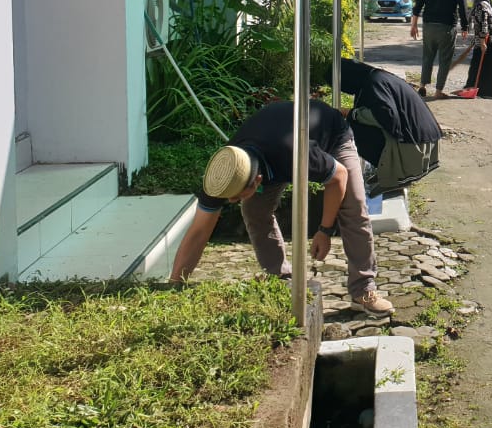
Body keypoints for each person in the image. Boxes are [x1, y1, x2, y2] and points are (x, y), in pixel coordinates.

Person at [168, 99, 394, 315]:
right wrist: (174, 285)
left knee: (353, 206)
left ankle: (364, 289)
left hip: (331, 135)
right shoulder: (224, 171)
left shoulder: (295, 153)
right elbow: (199, 232)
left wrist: (324, 230)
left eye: (236, 196)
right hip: (274, 138)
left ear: (257, 181)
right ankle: (280, 279)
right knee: (253, 209)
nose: (231, 202)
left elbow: (339, 177)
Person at [340, 59, 442, 195]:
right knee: (358, 121)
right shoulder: (377, 78)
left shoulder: (374, 83)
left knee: (353, 128)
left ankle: (396, 176)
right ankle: (389, 171)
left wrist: (351, 113)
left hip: (417, 148)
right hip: (425, 142)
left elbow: (386, 117)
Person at [409, 0, 469, 99]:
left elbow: (418, 5)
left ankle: (423, 85)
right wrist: (465, 27)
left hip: (429, 26)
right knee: (445, 60)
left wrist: (413, 25)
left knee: (427, 56)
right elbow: (462, 7)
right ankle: (438, 91)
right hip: (447, 27)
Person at [463, 0, 492, 99]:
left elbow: (484, 25)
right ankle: (476, 89)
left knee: (486, 66)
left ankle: (488, 92)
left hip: (489, 40)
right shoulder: (483, 4)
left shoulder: (481, 5)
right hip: (484, 39)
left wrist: (483, 42)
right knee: (477, 64)